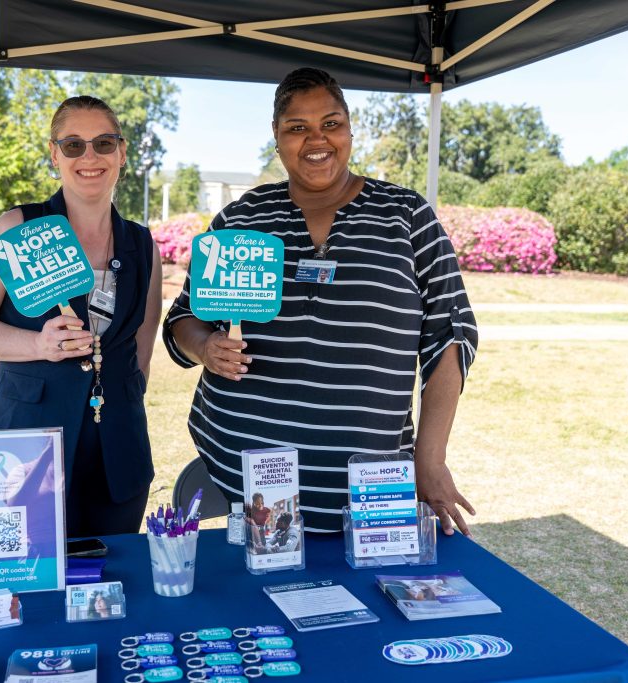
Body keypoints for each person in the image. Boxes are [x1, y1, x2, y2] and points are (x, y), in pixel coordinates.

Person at [163, 68, 478, 536]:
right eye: (297, 127)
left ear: (350, 129)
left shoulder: (407, 216)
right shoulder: (242, 218)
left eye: (331, 123)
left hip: (369, 492)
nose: (317, 139)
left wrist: (430, 459)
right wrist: (206, 347)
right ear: (276, 136)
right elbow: (183, 318)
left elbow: (448, 340)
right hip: (244, 484)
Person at [0, 95, 163, 537]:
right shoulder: (16, 228)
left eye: (104, 143)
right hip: (27, 452)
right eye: (73, 145)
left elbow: (144, 334)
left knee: (114, 586)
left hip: (119, 458)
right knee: (30, 585)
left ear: (122, 153)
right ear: (54, 154)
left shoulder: (143, 245)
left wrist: (127, 393)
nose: (90, 157)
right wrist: (36, 344)